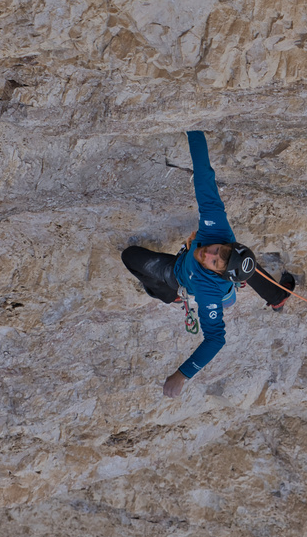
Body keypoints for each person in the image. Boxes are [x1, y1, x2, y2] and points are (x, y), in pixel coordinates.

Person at [122, 130, 296, 398]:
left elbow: (216, 339)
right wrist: (194, 130)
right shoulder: (216, 227)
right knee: (244, 265)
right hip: (222, 275)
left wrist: (182, 375)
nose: (208, 254)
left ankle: (173, 296)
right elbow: (205, 178)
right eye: (216, 250)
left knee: (133, 259)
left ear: (217, 273)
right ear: (225, 243)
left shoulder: (208, 291)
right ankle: (275, 296)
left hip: (187, 281)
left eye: (214, 262)